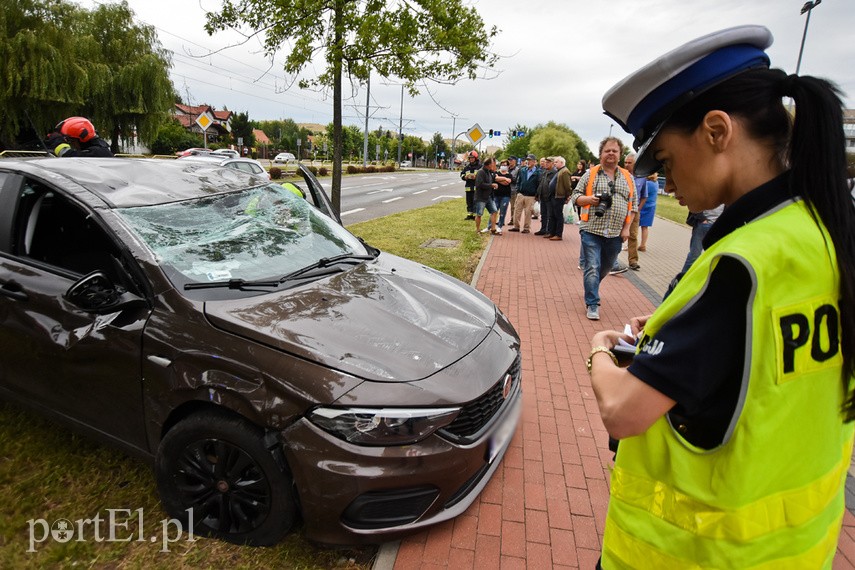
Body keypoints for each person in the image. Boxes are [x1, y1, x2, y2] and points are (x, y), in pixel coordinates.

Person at [588, 25, 855, 568]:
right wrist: (678, 336)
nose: (664, 181)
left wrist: (598, 347)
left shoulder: (739, 265)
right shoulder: (824, 233)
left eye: (664, 161)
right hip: (798, 551)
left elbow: (622, 410)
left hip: (691, 554)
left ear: (716, 131)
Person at [570, 137, 636, 321]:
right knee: (592, 266)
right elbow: (575, 196)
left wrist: (626, 229)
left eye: (615, 151)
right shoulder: (590, 174)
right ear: (601, 154)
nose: (611, 154)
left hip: (616, 233)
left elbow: (633, 205)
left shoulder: (627, 177)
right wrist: (589, 200)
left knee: (605, 267)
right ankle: (592, 303)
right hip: (591, 229)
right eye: (607, 150)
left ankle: (591, 286)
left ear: (620, 154)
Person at [678, 204, 724, 274]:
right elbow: (694, 203)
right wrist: (702, 219)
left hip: (717, 227)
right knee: (694, 255)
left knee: (714, 257)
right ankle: (681, 278)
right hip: (702, 226)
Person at [623, 153, 647, 270]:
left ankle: (633, 260)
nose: (627, 165)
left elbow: (644, 196)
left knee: (632, 235)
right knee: (616, 233)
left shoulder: (642, 177)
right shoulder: (620, 175)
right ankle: (611, 259)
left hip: (634, 211)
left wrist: (638, 209)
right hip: (621, 209)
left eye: (629, 163)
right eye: (625, 162)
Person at [44, 117, 113, 157]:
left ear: (82, 138)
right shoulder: (99, 149)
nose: (71, 144)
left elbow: (69, 156)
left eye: (71, 140)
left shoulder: (98, 153)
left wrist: (57, 142)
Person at [473, 157, 506, 235]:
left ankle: (493, 229)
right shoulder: (481, 172)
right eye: (492, 163)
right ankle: (478, 230)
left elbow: (494, 178)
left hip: (489, 196)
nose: (494, 164)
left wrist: (503, 179)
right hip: (481, 197)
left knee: (494, 211)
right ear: (489, 164)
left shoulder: (489, 172)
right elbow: (479, 184)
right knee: (479, 214)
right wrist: (491, 185)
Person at [509, 154, 540, 233]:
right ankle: (516, 226)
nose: (528, 162)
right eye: (527, 160)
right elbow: (519, 181)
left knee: (528, 212)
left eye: (530, 160)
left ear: (534, 162)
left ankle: (526, 228)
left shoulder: (538, 172)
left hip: (531, 196)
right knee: (517, 210)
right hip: (521, 194)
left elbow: (539, 184)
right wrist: (518, 190)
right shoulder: (522, 170)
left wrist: (536, 195)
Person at [546, 156, 571, 241]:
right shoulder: (559, 171)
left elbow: (567, 186)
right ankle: (552, 232)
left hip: (559, 197)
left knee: (558, 215)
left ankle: (558, 234)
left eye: (556, 162)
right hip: (554, 196)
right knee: (552, 215)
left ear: (561, 163)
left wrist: (567, 196)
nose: (554, 163)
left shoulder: (565, 171)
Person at [637, 172, 659, 252]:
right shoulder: (656, 183)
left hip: (643, 206)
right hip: (651, 206)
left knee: (635, 226)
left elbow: (641, 194)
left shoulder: (647, 183)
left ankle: (632, 245)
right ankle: (643, 245)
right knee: (645, 227)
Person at [534, 157, 556, 235]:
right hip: (543, 196)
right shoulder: (544, 172)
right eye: (546, 162)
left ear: (553, 164)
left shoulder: (555, 173)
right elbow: (541, 184)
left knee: (550, 215)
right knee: (543, 214)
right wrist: (537, 194)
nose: (546, 164)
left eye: (548, 162)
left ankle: (549, 230)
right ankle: (543, 229)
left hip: (550, 197)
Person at [459, 151, 481, 220]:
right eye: (470, 158)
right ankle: (469, 214)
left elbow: (483, 176)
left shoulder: (480, 167)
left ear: (476, 158)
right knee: (469, 202)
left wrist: (476, 177)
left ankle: (475, 215)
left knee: (475, 202)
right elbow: (462, 174)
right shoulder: (467, 167)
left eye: (472, 158)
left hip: (476, 188)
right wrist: (465, 177)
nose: (471, 159)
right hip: (468, 188)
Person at [495, 160, 513, 230]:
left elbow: (508, 182)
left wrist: (499, 180)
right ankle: (491, 225)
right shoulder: (496, 173)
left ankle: (500, 226)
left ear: (508, 166)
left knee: (503, 211)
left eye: (505, 165)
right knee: (494, 210)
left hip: (505, 196)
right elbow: (495, 178)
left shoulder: (509, 175)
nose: (503, 166)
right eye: (502, 165)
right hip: (496, 195)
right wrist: (504, 179)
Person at [506, 156, 520, 225]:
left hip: (513, 190)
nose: (510, 162)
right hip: (505, 189)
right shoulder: (506, 168)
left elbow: (516, 180)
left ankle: (512, 219)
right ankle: (501, 219)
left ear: (515, 161)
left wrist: (508, 178)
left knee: (513, 206)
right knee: (503, 205)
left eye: (511, 160)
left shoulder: (517, 170)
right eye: (509, 160)